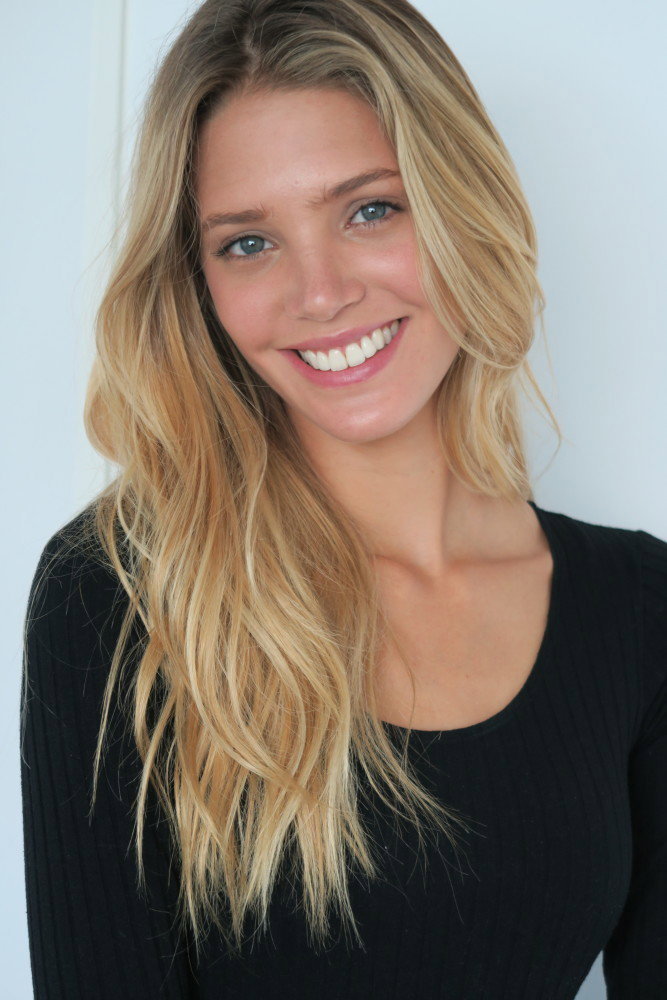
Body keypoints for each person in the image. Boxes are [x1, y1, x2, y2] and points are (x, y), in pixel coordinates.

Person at [19, 0, 666, 997]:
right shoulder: (119, 593)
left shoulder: (637, 606)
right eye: (247, 242)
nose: (318, 294)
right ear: (197, 285)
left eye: (369, 210)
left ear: (458, 204)